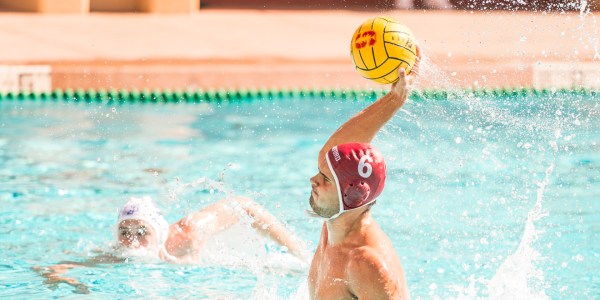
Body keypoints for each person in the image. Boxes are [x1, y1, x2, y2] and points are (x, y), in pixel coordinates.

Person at [307, 48, 421, 299]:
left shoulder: (364, 264)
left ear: (354, 195)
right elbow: (332, 151)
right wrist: (394, 100)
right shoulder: (333, 226)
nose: (312, 181)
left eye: (325, 179)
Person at [34, 196, 308, 294]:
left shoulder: (189, 232)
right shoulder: (122, 253)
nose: (132, 240)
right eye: (124, 232)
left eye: (142, 231)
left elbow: (246, 206)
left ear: (157, 230)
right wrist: (71, 284)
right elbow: (52, 268)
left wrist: (298, 251)